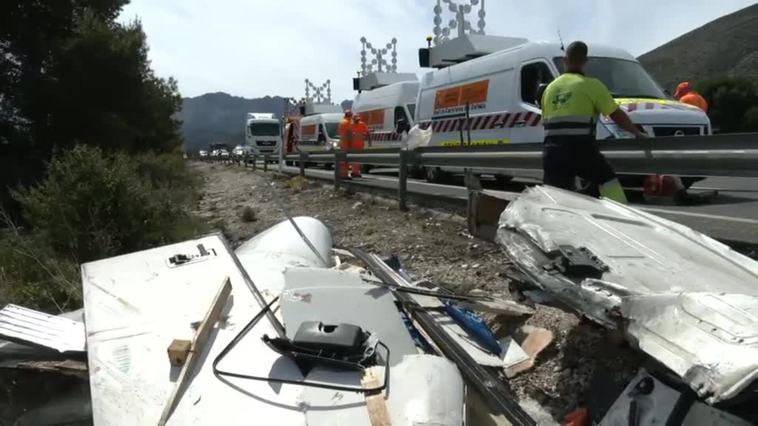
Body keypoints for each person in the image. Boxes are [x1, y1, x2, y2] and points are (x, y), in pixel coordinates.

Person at [541, 41, 647, 203]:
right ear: (585, 62)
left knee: (556, 198)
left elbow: (546, 122)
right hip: (582, 150)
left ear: (565, 61)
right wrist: (636, 132)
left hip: (552, 152)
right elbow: (616, 115)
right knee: (608, 182)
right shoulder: (592, 85)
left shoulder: (549, 89)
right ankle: (622, 215)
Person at [338, 110, 353, 178]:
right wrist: (351, 143)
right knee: (346, 160)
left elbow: (339, 132)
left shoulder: (341, 122)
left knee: (342, 159)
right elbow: (349, 133)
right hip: (346, 143)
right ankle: (345, 174)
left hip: (342, 143)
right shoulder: (348, 122)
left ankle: (341, 174)